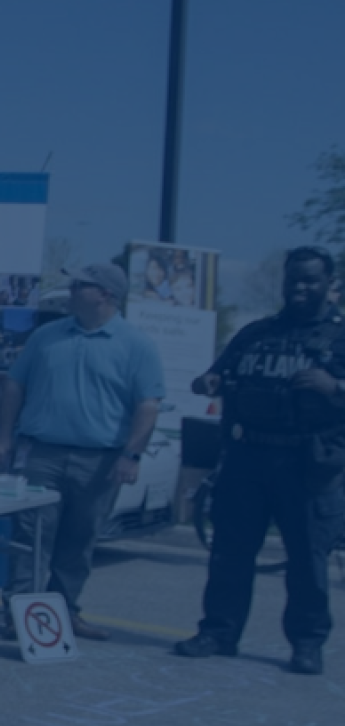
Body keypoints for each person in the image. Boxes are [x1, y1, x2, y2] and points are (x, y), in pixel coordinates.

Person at [174, 247, 345, 675]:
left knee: (307, 559)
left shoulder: (340, 337)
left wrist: (335, 385)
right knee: (230, 552)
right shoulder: (255, 333)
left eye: (310, 280)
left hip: (307, 461)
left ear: (329, 284)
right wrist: (208, 381)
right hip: (247, 458)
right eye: (293, 280)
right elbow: (213, 376)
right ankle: (218, 632)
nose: (300, 288)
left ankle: (307, 644)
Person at [0, 263, 163, 642]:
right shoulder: (46, 337)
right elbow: (14, 386)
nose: (70, 291)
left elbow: (148, 406)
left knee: (79, 540)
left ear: (105, 294)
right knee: (31, 535)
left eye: (80, 286)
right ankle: (17, 612)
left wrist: (131, 456)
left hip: (100, 460)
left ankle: (63, 613)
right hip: (41, 454)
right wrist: (4, 436)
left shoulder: (136, 344)